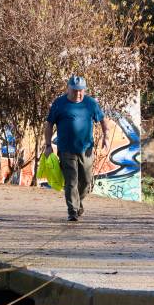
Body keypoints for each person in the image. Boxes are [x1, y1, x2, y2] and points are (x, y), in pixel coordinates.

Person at [43, 75, 108, 221]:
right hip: (66, 149)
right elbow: (49, 125)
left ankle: (78, 203)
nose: (78, 93)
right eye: (75, 90)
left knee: (86, 181)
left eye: (81, 90)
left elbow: (102, 120)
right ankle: (72, 211)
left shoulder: (90, 103)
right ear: (68, 89)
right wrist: (48, 145)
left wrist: (106, 136)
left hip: (86, 149)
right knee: (71, 181)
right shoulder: (59, 103)